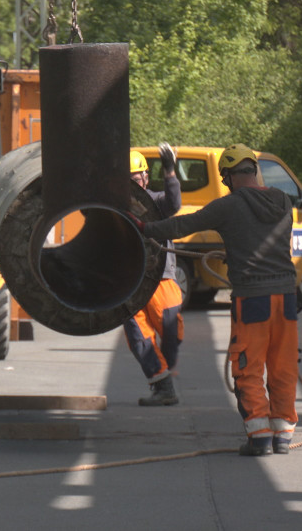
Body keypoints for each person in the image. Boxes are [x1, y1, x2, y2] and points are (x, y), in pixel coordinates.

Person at [133, 143, 299, 456]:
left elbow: (183, 224)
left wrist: (145, 227)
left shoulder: (229, 205)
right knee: (283, 365)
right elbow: (264, 241)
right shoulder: (282, 200)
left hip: (253, 299)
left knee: (248, 366)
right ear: (254, 169)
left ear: (228, 177)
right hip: (287, 298)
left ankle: (260, 437)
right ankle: (283, 435)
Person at [123, 144, 184, 406]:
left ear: (146, 178)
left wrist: (169, 171)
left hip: (162, 278)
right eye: (129, 181)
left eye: (138, 179)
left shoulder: (156, 202)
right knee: (140, 336)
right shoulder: (115, 209)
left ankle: (165, 372)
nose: (135, 186)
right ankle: (163, 385)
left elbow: (174, 203)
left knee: (171, 331)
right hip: (130, 284)